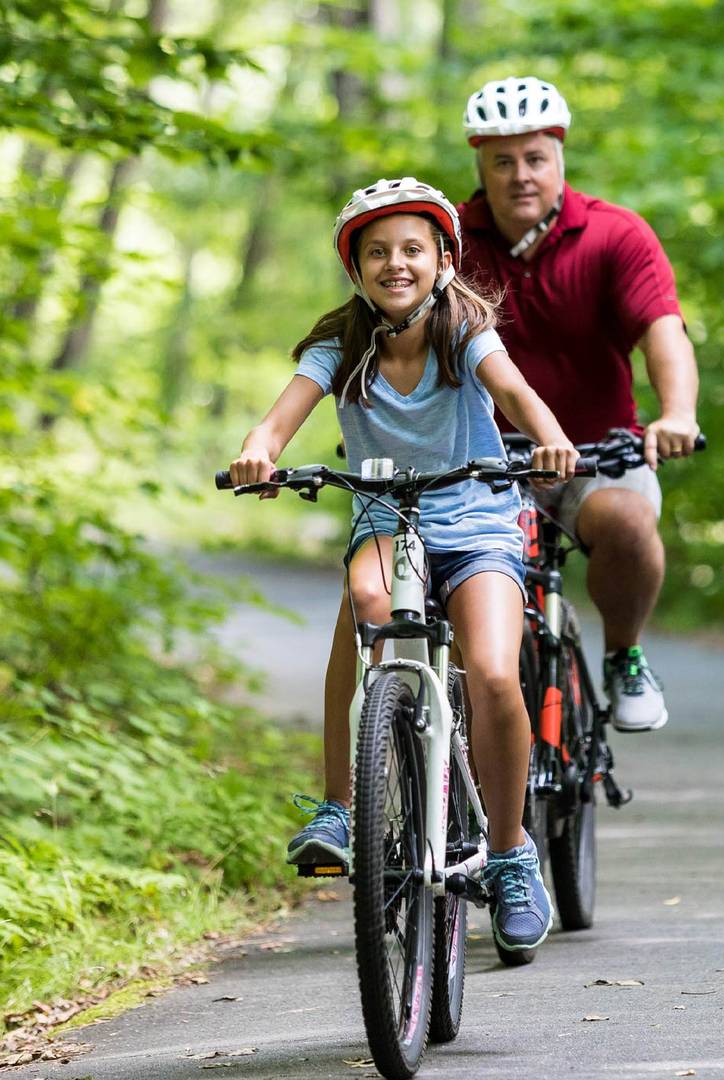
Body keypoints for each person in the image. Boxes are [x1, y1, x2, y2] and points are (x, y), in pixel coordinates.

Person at [229, 177, 578, 953]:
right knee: (363, 602)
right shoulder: (340, 346)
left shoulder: (466, 330)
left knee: (495, 673)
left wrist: (550, 437)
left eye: (413, 249)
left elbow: (515, 390)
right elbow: (278, 419)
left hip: (477, 518)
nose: (396, 263)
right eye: (377, 252)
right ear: (355, 270)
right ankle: (341, 808)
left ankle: (510, 854)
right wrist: (259, 451)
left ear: (443, 260)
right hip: (387, 518)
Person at [317, 76, 703, 738]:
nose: (520, 175)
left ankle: (623, 657)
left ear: (559, 157)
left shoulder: (615, 235)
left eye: (534, 158)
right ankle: (454, 752)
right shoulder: (446, 244)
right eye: (502, 161)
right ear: (480, 165)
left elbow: (663, 331)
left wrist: (678, 414)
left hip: (591, 454)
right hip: (468, 465)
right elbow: (384, 326)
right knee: (467, 607)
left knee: (627, 521)